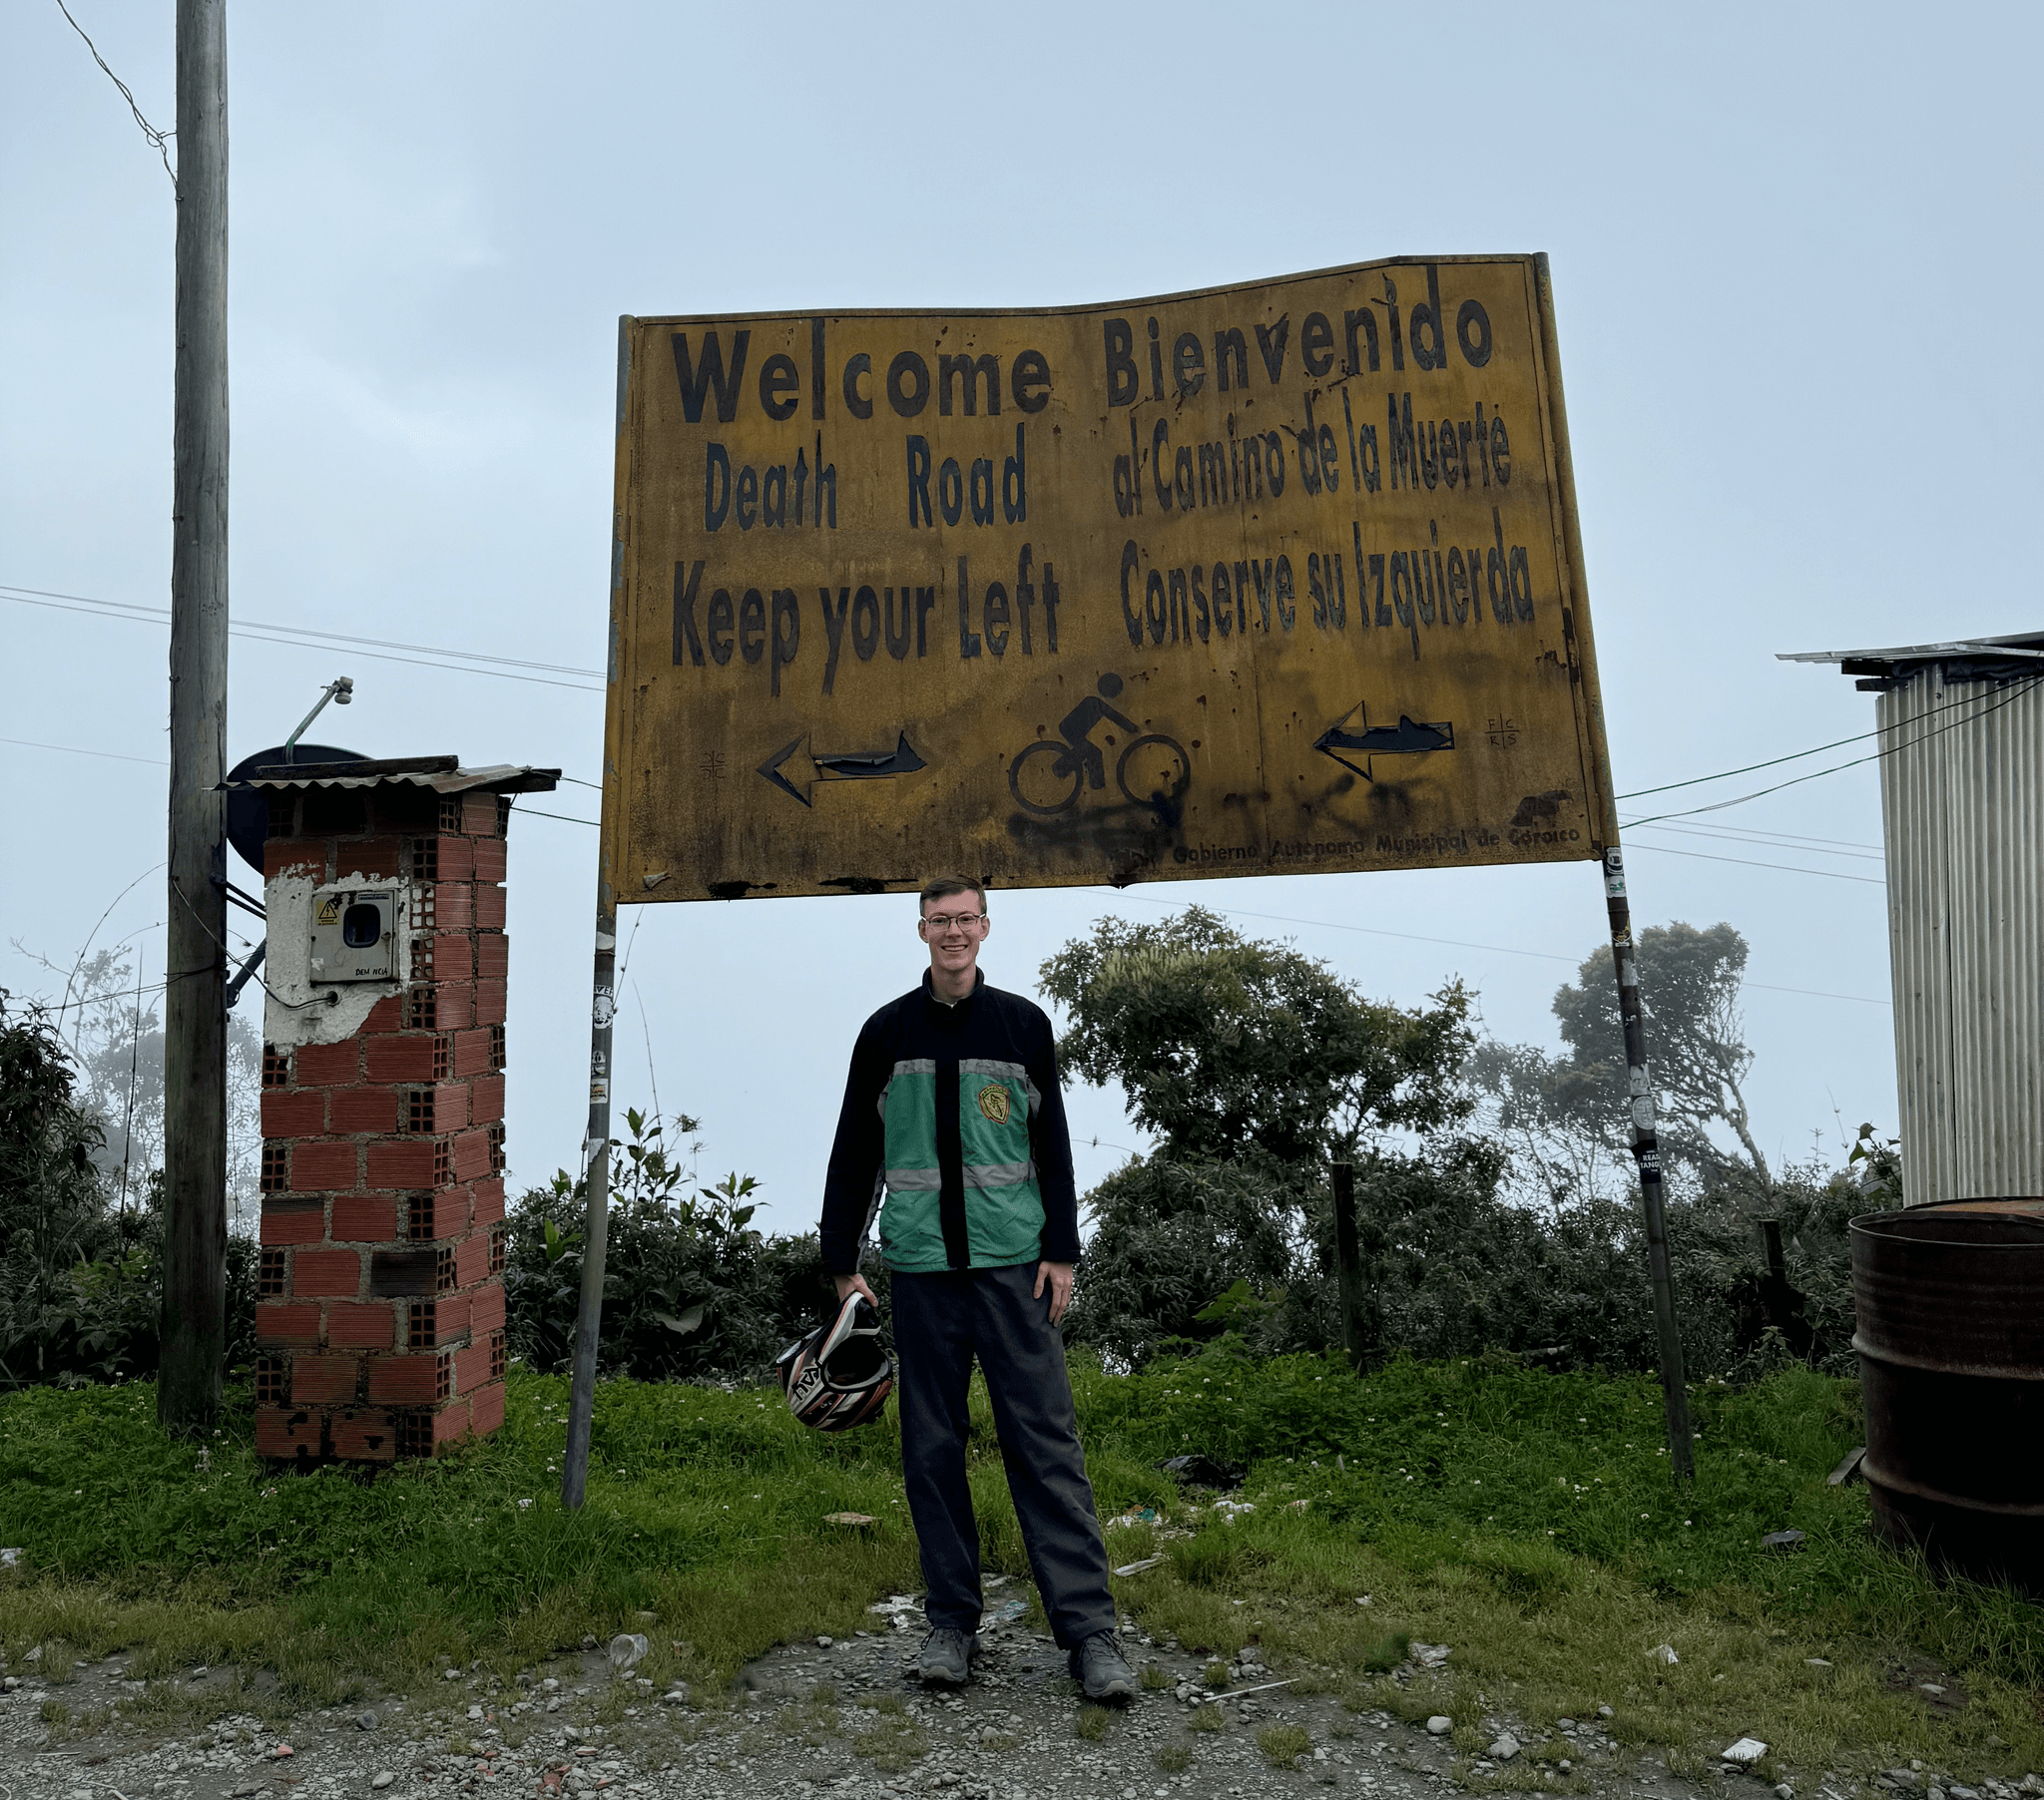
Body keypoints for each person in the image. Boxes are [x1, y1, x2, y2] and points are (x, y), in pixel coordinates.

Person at [817, 875, 1137, 1702]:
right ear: (919, 929)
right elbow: (855, 1146)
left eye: (966, 920)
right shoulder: (884, 1032)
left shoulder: (1022, 1025)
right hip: (921, 1275)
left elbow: (1054, 1147)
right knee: (931, 1452)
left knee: (1047, 1450)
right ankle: (951, 1626)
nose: (953, 933)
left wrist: (1062, 1251)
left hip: (1014, 1270)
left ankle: (1091, 1636)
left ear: (985, 929)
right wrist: (841, 1257)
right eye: (939, 921)